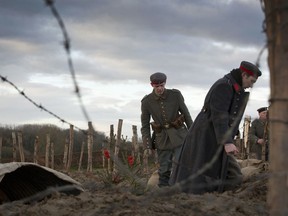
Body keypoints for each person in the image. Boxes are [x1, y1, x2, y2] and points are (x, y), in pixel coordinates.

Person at [170, 61, 262, 194]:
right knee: (200, 171)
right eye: (251, 81)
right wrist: (228, 142)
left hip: (216, 135)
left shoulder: (232, 86)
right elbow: (220, 115)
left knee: (225, 172)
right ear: (244, 75)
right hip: (206, 135)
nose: (251, 86)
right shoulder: (224, 85)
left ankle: (219, 198)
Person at [141, 72, 193, 187]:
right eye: (157, 86)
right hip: (162, 139)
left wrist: (193, 134)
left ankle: (184, 192)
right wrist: (147, 146)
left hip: (180, 135)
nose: (160, 88)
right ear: (152, 85)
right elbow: (144, 125)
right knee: (164, 169)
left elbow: (186, 115)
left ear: (165, 83)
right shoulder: (146, 102)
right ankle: (164, 195)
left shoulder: (175, 95)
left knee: (182, 165)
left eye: (162, 85)